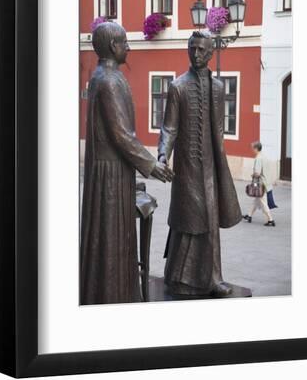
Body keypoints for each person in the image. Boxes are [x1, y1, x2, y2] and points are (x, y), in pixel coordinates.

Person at [80, 22, 174, 305]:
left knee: (116, 238)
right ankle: (112, 294)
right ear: (112, 47)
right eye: (124, 42)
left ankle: (118, 290)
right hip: (111, 172)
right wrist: (151, 165)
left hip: (116, 169)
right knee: (111, 237)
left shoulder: (109, 77)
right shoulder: (108, 80)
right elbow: (122, 134)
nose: (129, 47)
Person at [158, 30, 242, 298]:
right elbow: (169, 128)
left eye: (201, 50)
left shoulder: (218, 88)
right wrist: (163, 155)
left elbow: (218, 129)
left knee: (211, 220)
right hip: (188, 168)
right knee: (189, 219)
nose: (196, 54)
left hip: (212, 167)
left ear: (211, 53)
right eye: (192, 48)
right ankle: (179, 276)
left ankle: (212, 278)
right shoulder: (178, 87)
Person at [243, 141, 276, 227]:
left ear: (256, 148)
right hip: (266, 182)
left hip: (261, 184)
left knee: (263, 202)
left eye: (253, 148)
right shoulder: (264, 156)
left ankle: (271, 220)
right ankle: (249, 216)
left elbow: (257, 173)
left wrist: (252, 175)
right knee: (256, 200)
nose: (252, 150)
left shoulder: (258, 158)